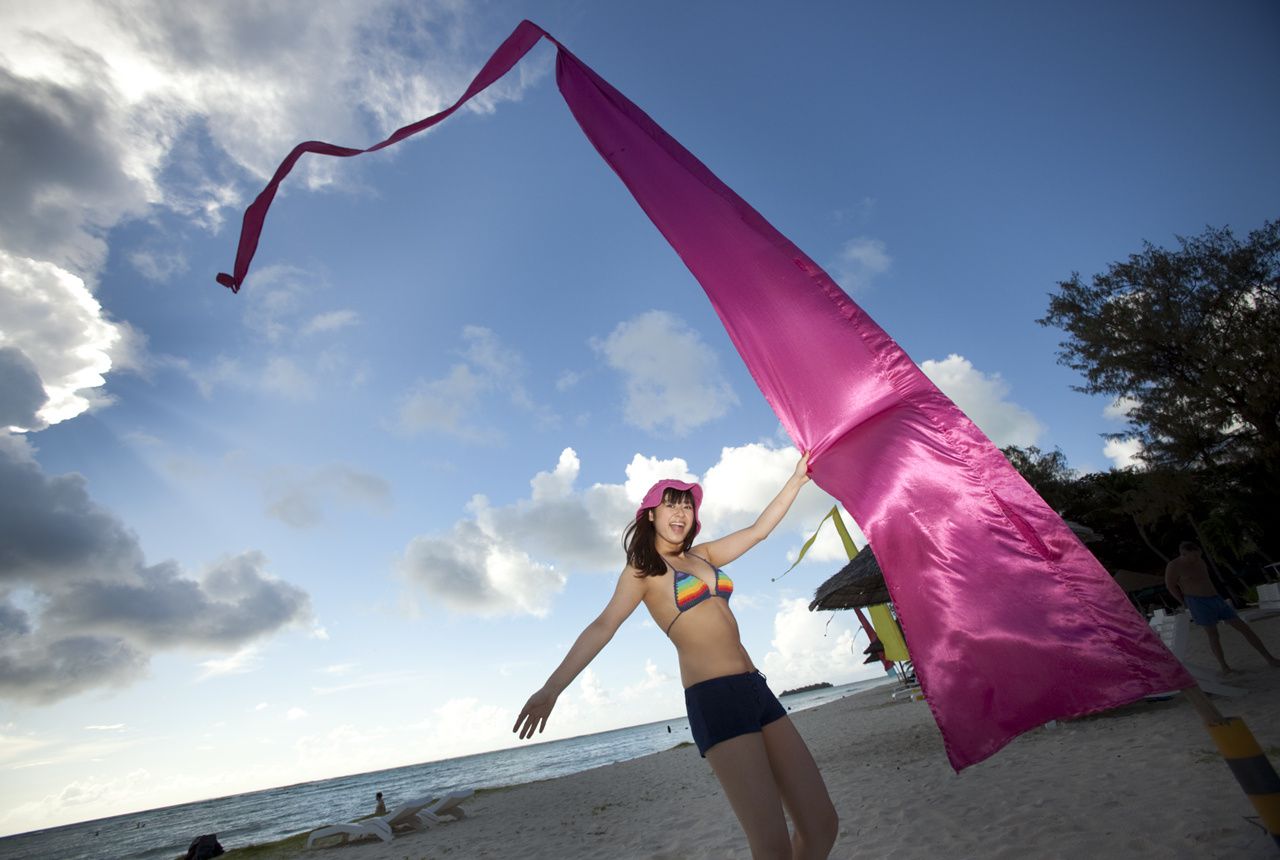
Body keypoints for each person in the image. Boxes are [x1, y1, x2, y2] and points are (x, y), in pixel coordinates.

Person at [514, 453, 838, 859]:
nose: (680, 511)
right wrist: (551, 688)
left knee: (822, 823)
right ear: (650, 514)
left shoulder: (703, 555)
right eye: (671, 503)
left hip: (756, 688)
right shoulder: (642, 570)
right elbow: (603, 626)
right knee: (771, 846)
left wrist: (796, 480)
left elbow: (758, 531)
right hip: (715, 698)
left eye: (687, 504)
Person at [1164, 541, 1280, 674]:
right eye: (1193, 557)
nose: (1196, 559)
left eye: (1198, 556)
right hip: (1197, 602)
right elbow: (1170, 586)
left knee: (1244, 628)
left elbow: (1205, 579)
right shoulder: (1174, 566)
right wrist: (1183, 602)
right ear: (1183, 554)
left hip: (1216, 599)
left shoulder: (1200, 561)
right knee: (1213, 634)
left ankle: (1269, 658)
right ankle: (1224, 667)